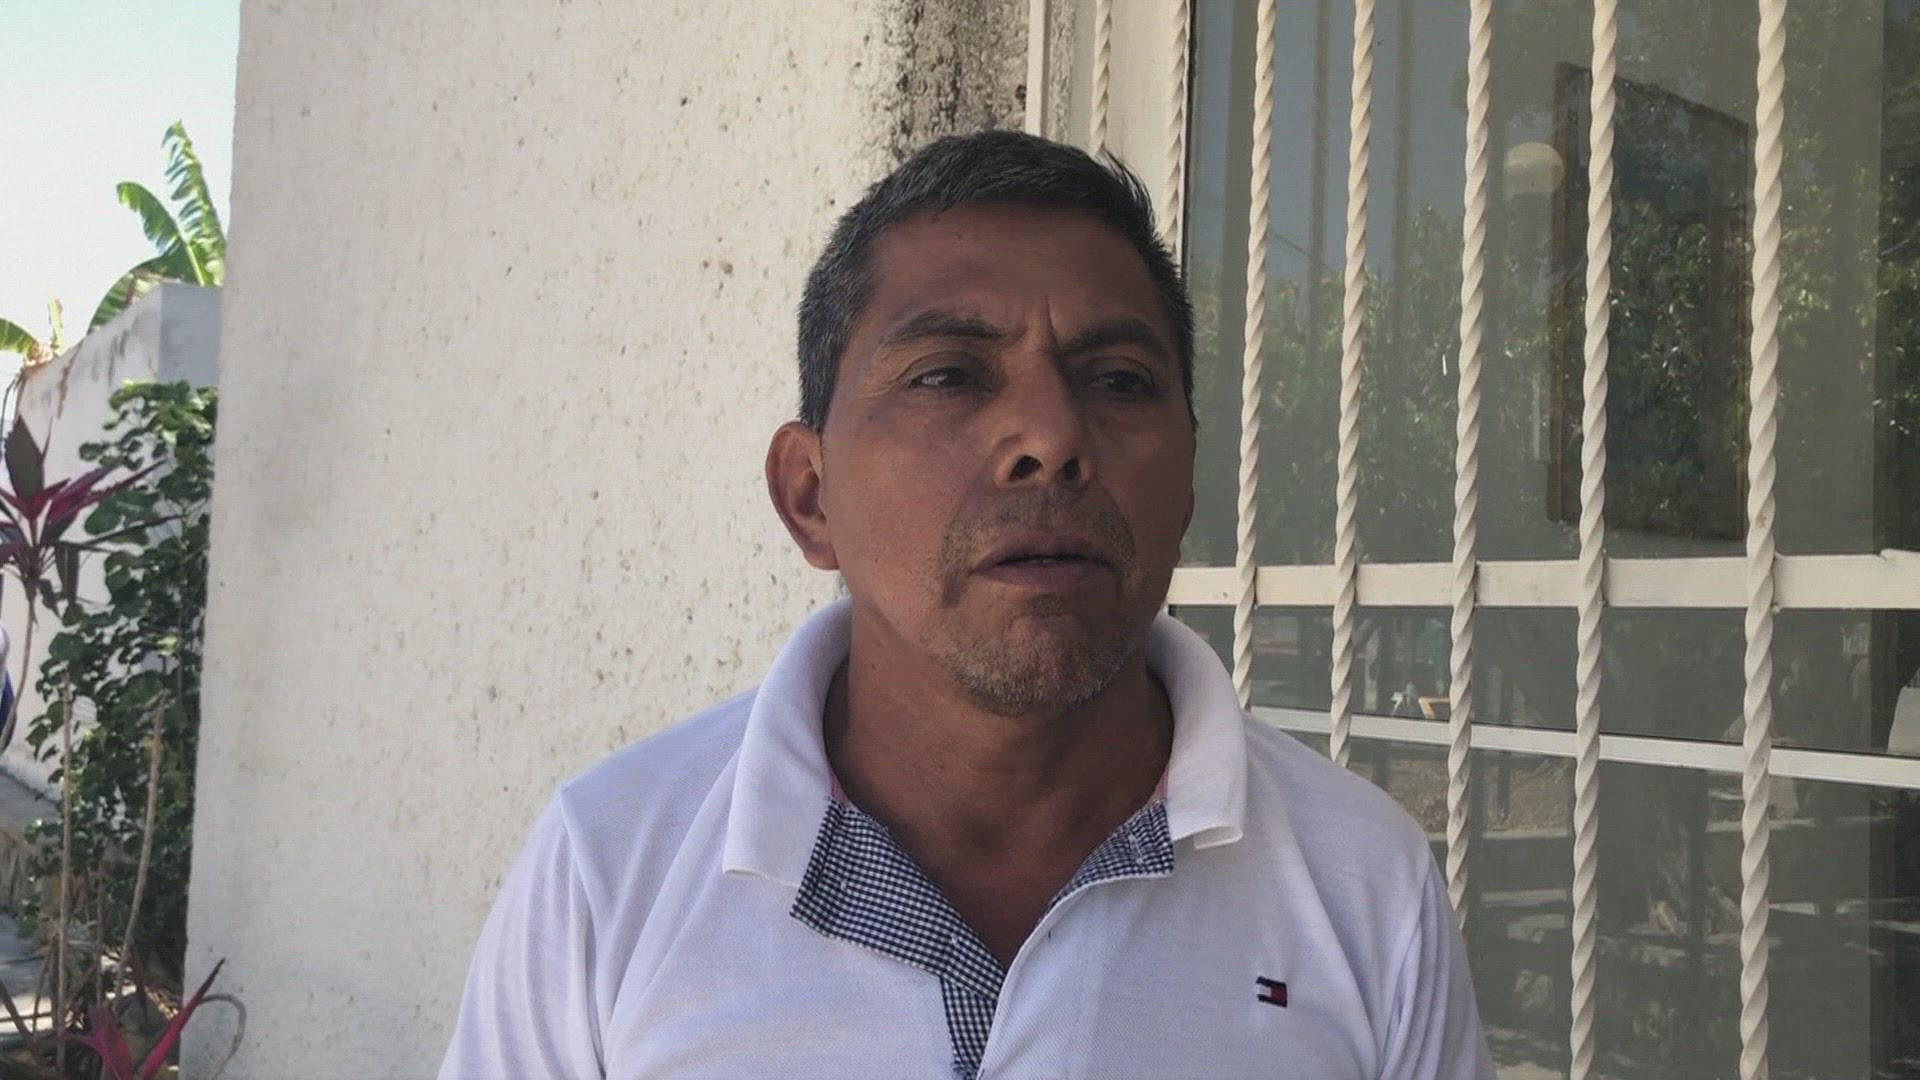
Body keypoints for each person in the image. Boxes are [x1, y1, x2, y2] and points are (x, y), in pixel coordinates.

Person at [440, 131, 1495, 1080]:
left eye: (1120, 380)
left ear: (1187, 487)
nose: (1052, 436)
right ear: (810, 497)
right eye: (948, 375)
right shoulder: (612, 864)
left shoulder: (1363, 886)